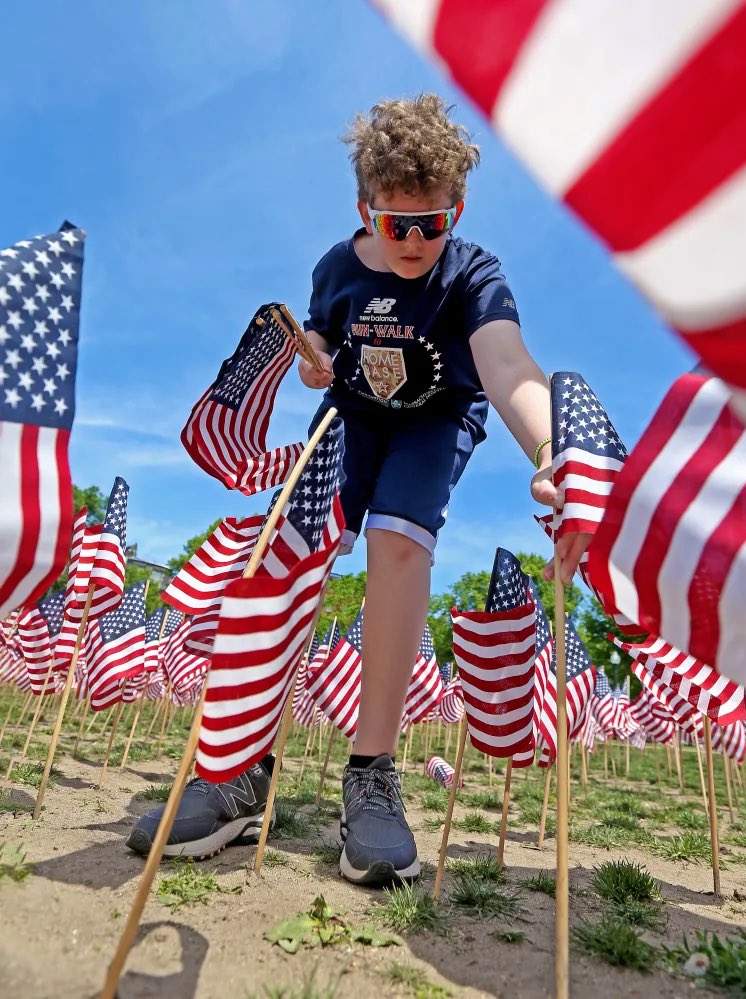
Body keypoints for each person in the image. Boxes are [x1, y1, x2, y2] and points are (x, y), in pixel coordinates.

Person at [128, 94, 586, 883]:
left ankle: (371, 772)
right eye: (393, 224)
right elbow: (323, 339)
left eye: (430, 225)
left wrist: (551, 445)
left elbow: (508, 363)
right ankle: (239, 766)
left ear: (457, 211)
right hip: (351, 416)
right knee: (287, 545)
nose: (412, 242)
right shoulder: (335, 269)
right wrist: (310, 353)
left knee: (398, 544)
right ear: (363, 210)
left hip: (434, 420)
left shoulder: (473, 272)